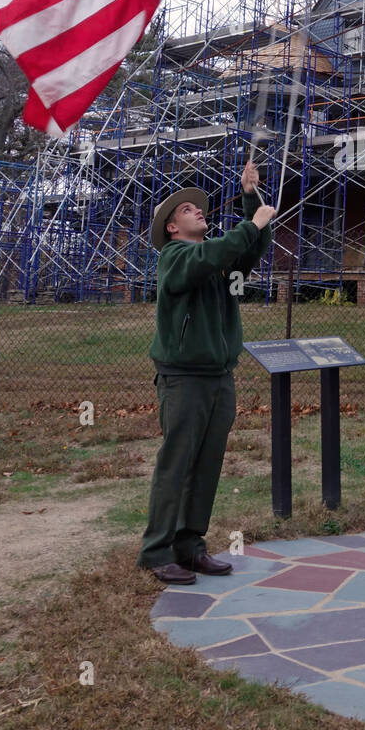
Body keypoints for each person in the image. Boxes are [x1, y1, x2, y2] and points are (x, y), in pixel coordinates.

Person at [137, 161, 276, 583]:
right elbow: (215, 252)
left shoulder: (215, 259)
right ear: (173, 229)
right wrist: (250, 223)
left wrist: (252, 198)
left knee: (207, 463)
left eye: (198, 208)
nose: (198, 210)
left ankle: (190, 546)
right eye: (186, 210)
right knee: (176, 464)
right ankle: (156, 551)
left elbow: (246, 252)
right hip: (183, 379)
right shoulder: (177, 258)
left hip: (219, 377)